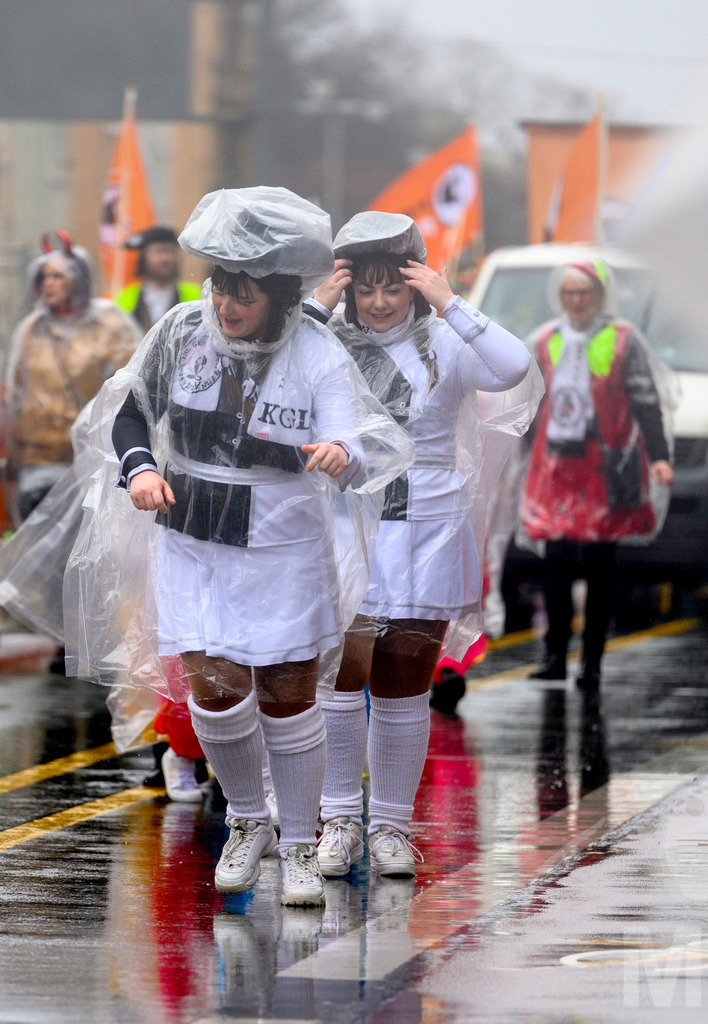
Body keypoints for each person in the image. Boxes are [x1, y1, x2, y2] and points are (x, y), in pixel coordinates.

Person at [98, 187, 411, 905]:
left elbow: (356, 441)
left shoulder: (316, 350)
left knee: (286, 688)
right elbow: (131, 413)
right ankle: (247, 822)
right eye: (219, 287)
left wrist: (339, 453)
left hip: (281, 542)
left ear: (275, 293)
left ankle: (299, 842)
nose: (227, 305)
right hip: (193, 533)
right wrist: (141, 468)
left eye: (243, 292)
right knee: (211, 685)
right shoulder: (180, 332)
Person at [302, 211, 539, 879]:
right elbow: (271, 376)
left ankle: (393, 830)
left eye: (393, 287)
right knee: (343, 680)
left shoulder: (447, 341)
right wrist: (319, 307)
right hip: (348, 524)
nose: (378, 303)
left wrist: (449, 300)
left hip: (429, 527)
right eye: (364, 288)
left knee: (405, 688)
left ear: (414, 281)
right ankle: (340, 819)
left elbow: (514, 365)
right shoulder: (324, 343)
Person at [521, 258, 674, 690]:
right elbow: (522, 401)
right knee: (556, 563)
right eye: (569, 293)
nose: (576, 301)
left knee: (601, 565)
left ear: (600, 296)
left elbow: (646, 401)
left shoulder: (624, 341)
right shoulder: (545, 339)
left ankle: (591, 662)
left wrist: (659, 456)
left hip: (603, 469)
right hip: (555, 467)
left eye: (584, 293)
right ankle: (554, 656)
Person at [5, 232, 139, 525]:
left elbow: (128, 390)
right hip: (38, 458)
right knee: (38, 546)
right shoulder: (32, 328)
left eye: (56, 276)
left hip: (88, 460)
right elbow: (15, 395)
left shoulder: (111, 324)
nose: (47, 284)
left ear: (78, 279)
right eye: (43, 277)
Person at [115, 225, 202, 334]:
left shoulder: (196, 294)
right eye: (159, 251)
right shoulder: (125, 298)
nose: (165, 258)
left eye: (170, 251)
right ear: (144, 257)